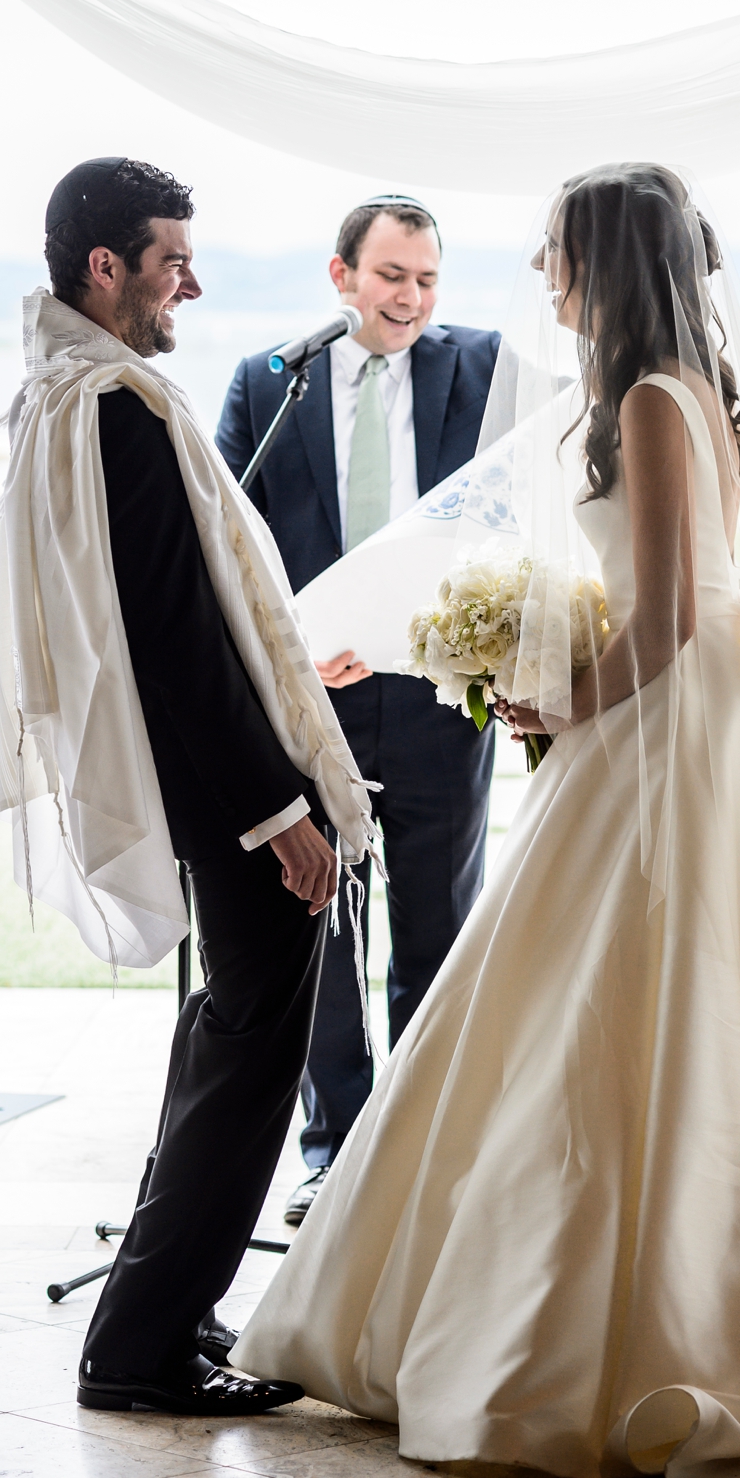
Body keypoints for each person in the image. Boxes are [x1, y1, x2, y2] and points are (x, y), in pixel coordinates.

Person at [234, 165, 740, 1478]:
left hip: (678, 742)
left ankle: (645, 1330)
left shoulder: (659, 396)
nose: (545, 276)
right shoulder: (656, 390)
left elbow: (669, 616)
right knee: (587, 1012)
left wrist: (562, 697)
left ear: (606, 263)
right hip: (668, 727)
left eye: (559, 254)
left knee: (657, 1014)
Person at [0, 158, 377, 1416]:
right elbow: (166, 634)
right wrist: (279, 815)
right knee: (251, 1048)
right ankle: (142, 1345)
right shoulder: (112, 402)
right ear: (105, 268)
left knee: (226, 1036)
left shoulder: (56, 388)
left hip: (190, 771)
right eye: (173, 260)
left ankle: (167, 1312)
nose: (193, 285)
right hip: (224, 789)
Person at [216, 196, 500, 1223]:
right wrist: (289, 655)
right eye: (392, 277)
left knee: (437, 930)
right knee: (323, 935)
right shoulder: (267, 382)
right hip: (313, 708)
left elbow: (519, 512)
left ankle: (422, 1153)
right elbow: (232, 541)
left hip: (438, 703)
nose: (412, 299)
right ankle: (335, 1150)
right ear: (341, 276)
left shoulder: (484, 366)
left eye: (427, 279)